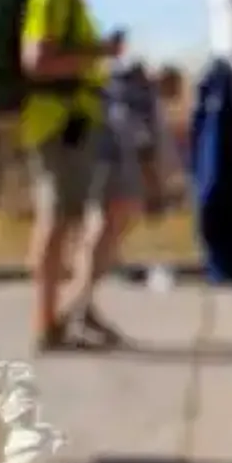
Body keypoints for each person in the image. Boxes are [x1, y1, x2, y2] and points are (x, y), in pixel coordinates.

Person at [19, 0, 126, 352]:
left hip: (74, 123)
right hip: (57, 124)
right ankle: (47, 322)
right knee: (56, 221)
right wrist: (100, 52)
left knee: (72, 218)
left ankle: (67, 312)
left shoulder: (72, 0)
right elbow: (37, 63)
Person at [64, 59, 175, 347]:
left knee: (102, 236)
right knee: (102, 234)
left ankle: (81, 306)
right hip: (115, 169)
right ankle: (76, 308)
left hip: (102, 163)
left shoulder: (115, 90)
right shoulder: (137, 97)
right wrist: (154, 188)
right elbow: (141, 142)